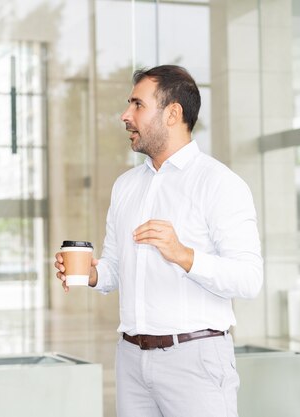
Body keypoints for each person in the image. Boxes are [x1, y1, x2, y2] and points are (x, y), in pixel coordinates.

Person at [54, 65, 263, 417]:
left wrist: (184, 255)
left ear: (173, 113)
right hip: (131, 361)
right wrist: (93, 274)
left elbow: (249, 279)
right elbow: (116, 268)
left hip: (196, 362)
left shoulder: (219, 184)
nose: (125, 115)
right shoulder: (125, 186)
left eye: (137, 105)